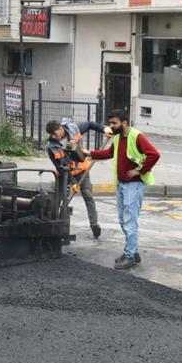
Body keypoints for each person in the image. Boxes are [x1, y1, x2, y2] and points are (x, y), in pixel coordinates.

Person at [86, 109, 159, 270]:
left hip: (134, 185)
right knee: (122, 220)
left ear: (124, 123)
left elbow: (154, 154)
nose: (111, 126)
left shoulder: (137, 136)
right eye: (110, 123)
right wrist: (89, 153)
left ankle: (130, 255)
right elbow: (110, 153)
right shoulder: (118, 137)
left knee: (129, 221)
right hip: (122, 184)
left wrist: (140, 171)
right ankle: (134, 251)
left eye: (114, 123)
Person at [45, 120, 101, 238]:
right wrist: (73, 182)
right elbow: (58, 166)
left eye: (56, 134)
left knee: (87, 195)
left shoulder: (74, 128)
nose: (54, 137)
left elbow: (90, 125)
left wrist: (104, 129)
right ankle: (53, 225)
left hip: (82, 170)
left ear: (61, 128)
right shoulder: (51, 146)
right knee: (59, 198)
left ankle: (94, 224)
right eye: (52, 135)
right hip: (64, 174)